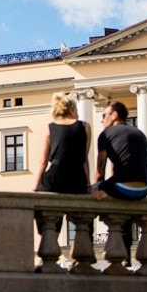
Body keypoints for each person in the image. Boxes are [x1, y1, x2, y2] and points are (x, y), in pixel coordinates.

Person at [91, 100, 147, 266]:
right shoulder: (139, 133)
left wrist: (97, 188)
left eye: (104, 115)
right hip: (144, 188)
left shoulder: (106, 134)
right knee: (123, 207)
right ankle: (126, 259)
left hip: (124, 187)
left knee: (89, 195)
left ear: (114, 115)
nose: (102, 120)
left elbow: (100, 170)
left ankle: (87, 249)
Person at [32, 92, 92, 237]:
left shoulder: (50, 128)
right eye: (76, 109)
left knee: (50, 225)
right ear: (71, 109)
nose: (78, 112)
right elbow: (84, 159)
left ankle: (47, 254)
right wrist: (88, 184)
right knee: (82, 222)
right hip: (76, 178)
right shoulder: (84, 126)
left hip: (55, 178)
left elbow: (42, 162)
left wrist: (35, 186)